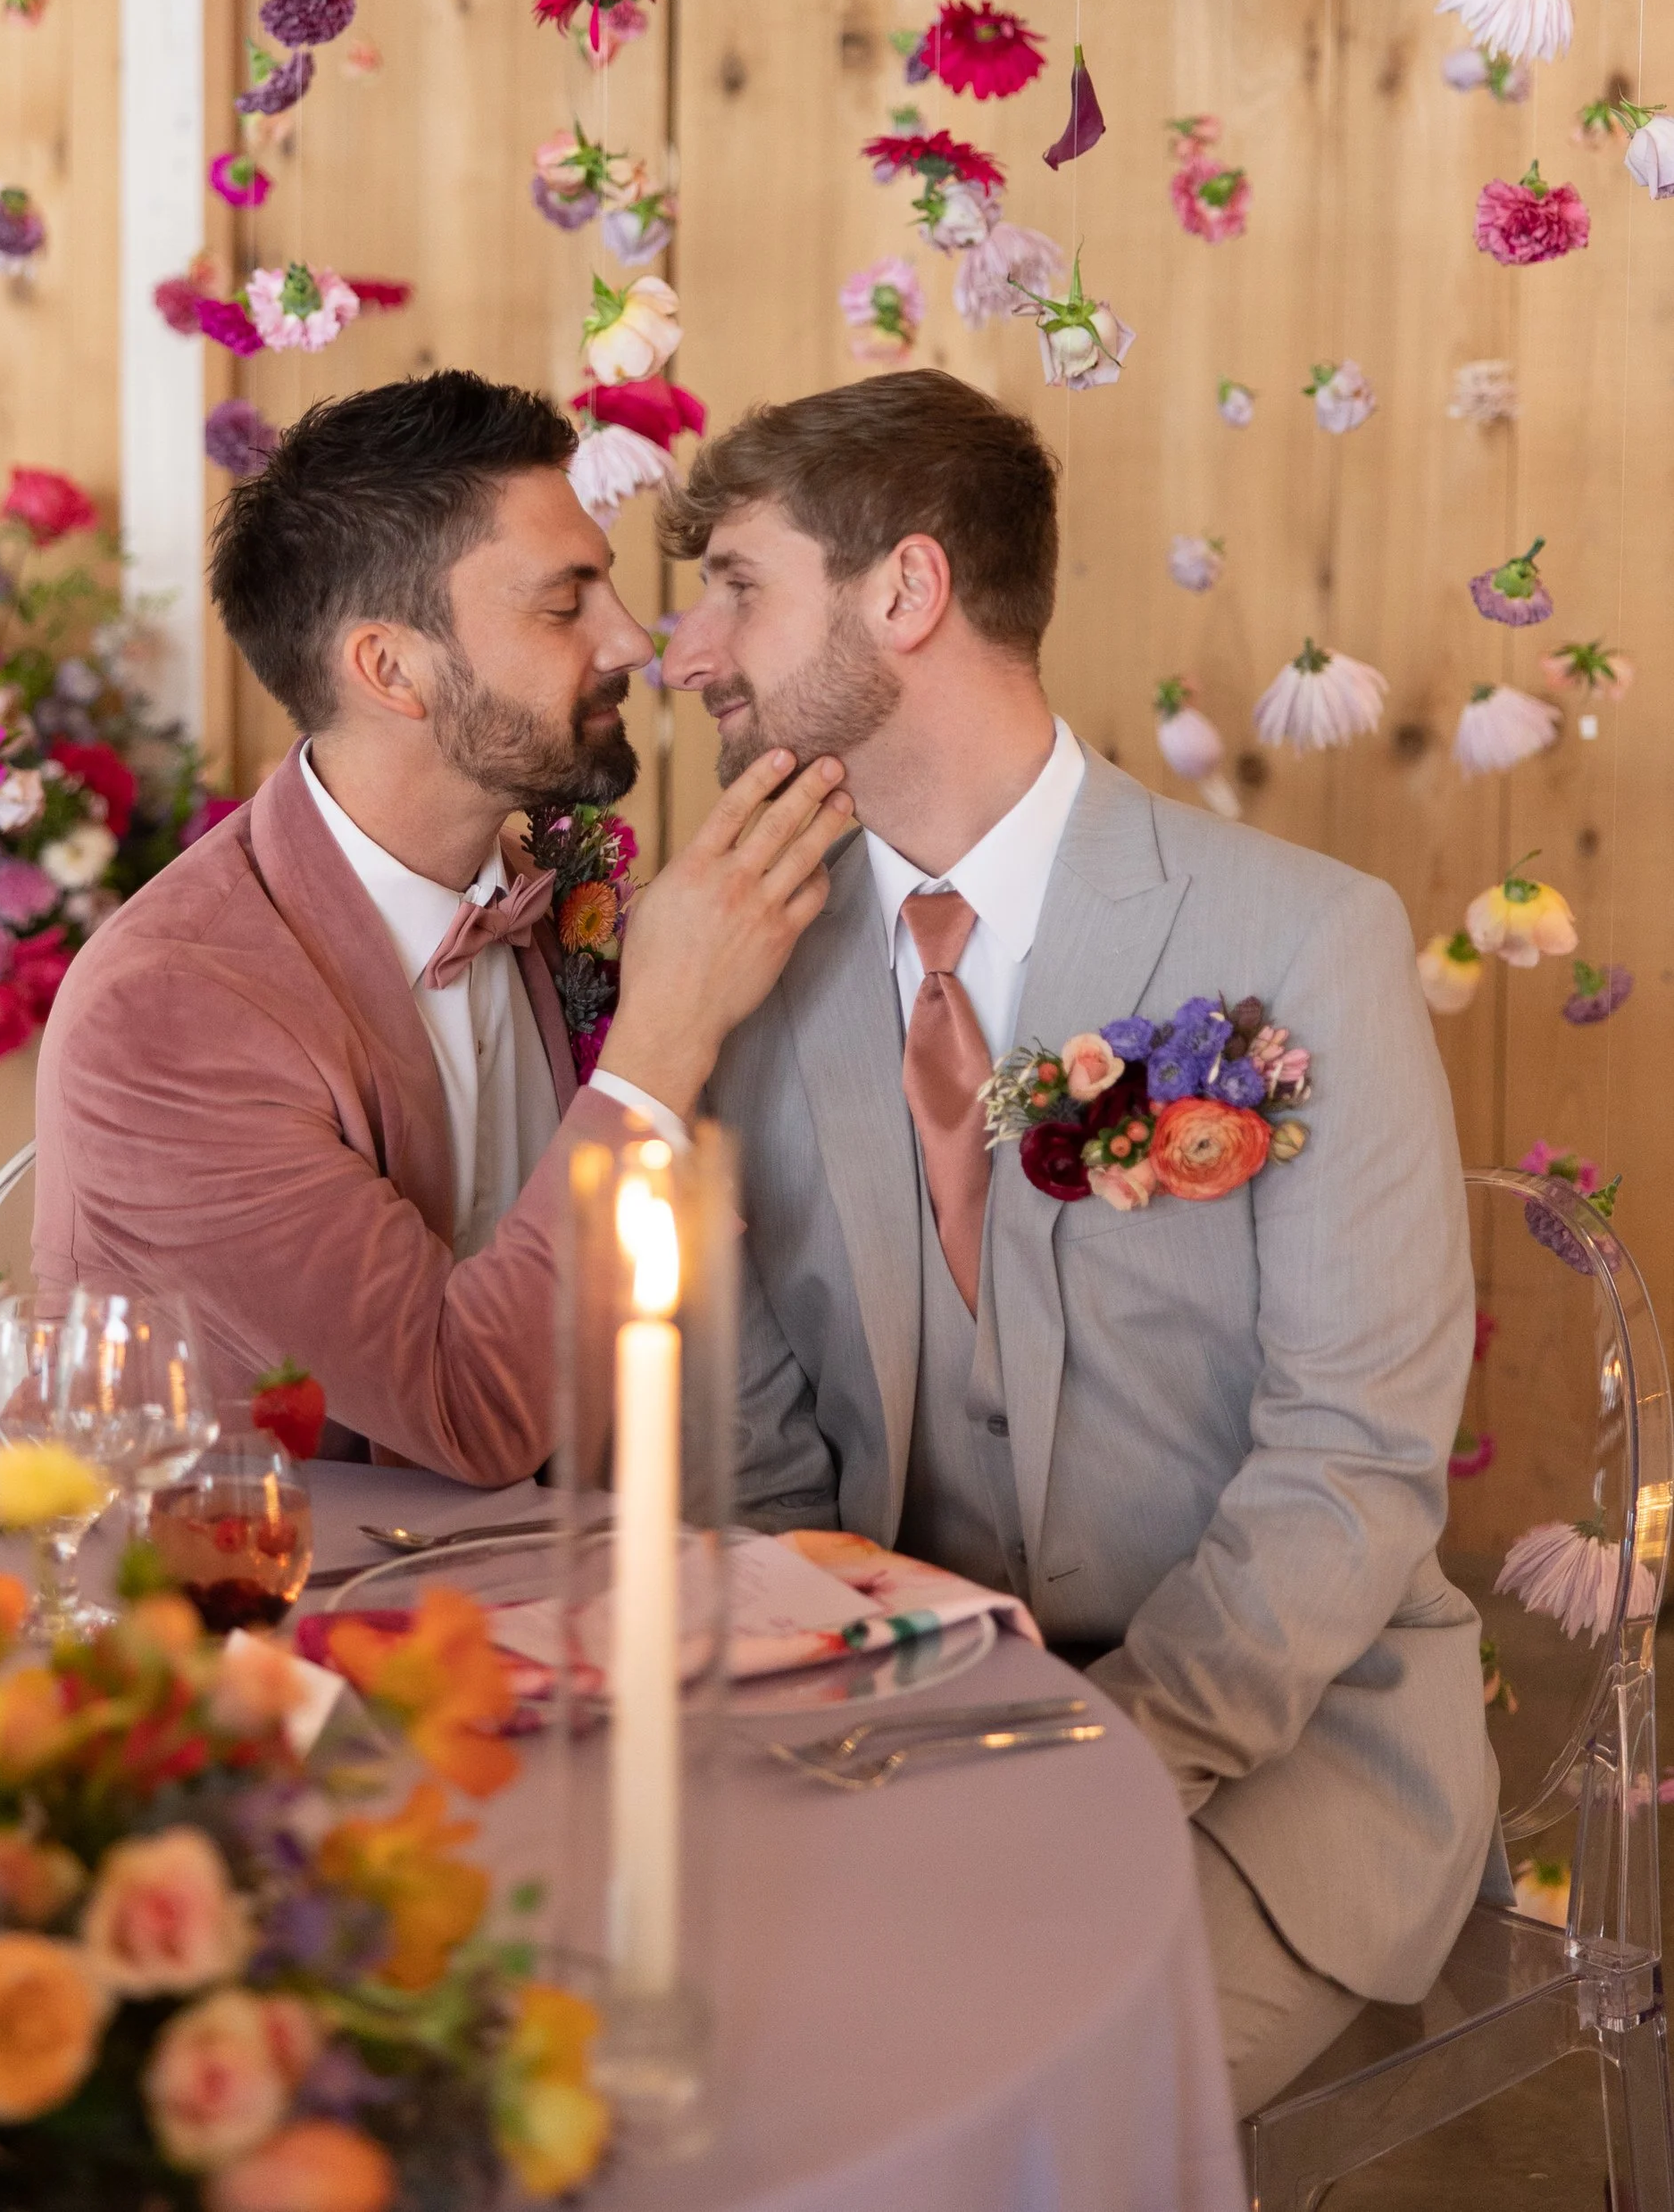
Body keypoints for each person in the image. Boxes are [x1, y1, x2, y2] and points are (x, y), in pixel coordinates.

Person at [616, 369, 1499, 2121]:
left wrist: (1104, 1761)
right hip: (892, 1743)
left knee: (981, 2102)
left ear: (903, 593)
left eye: (732, 581)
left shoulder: (1301, 940)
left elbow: (1348, 1459)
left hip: (1278, 1764)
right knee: (678, 2068)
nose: (686, 647)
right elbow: (756, 1450)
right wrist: (855, 1730)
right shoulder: (743, 967)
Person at [32, 369, 850, 1481]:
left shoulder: (559, 900)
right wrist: (663, 1037)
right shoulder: (170, 1009)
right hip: (258, 1622)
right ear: (390, 669)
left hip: (568, 1592)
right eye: (564, 604)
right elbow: (468, 1409)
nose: (628, 643)